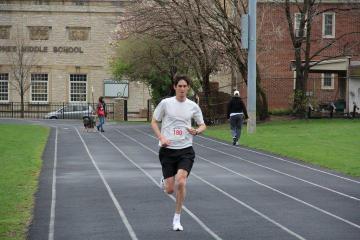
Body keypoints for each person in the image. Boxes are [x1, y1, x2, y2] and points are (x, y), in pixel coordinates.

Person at [151, 75, 206, 231]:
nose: (182, 89)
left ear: (188, 88)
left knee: (181, 181)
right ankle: (165, 180)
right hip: (168, 150)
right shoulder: (166, 103)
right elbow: (154, 122)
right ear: (174, 87)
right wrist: (161, 137)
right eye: (179, 86)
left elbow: (203, 125)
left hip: (186, 150)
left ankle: (177, 218)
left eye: (185, 86)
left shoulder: (193, 106)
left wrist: (196, 131)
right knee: (169, 189)